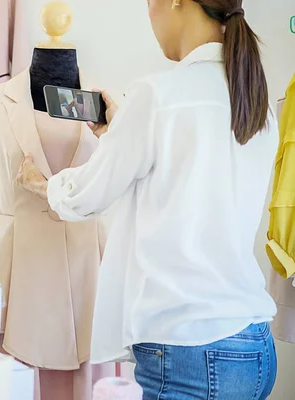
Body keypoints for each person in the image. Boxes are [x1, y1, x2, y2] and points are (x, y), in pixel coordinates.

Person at [16, 0, 278, 399]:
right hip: (253, 343)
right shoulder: (252, 97)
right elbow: (187, 174)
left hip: (190, 350)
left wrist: (43, 183)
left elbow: (88, 195)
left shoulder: (157, 95)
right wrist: (121, 131)